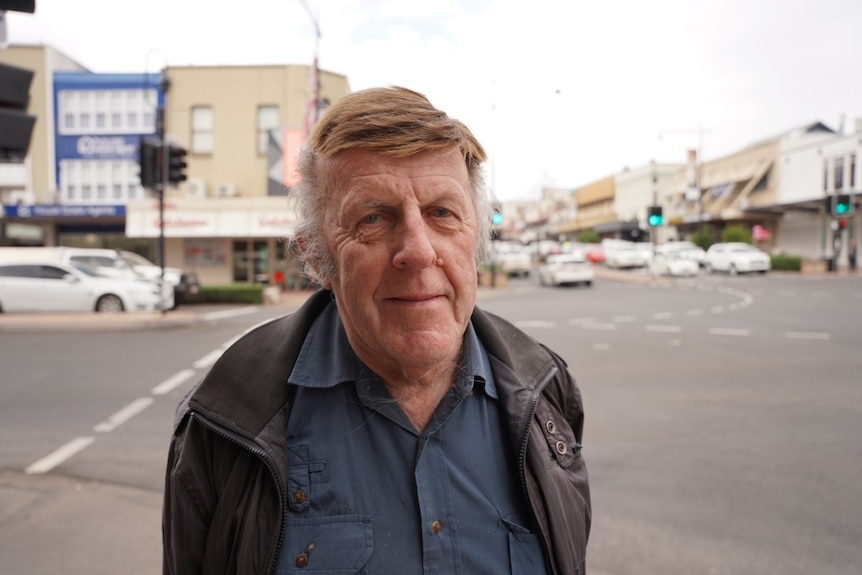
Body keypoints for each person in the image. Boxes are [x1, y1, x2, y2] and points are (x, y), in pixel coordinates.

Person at [162, 86, 591, 575]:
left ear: (476, 238)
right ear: (318, 256)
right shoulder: (225, 420)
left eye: (442, 213)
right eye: (373, 218)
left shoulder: (549, 395)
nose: (418, 250)